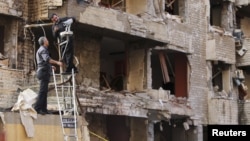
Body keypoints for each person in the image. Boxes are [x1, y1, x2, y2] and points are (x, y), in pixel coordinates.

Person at [35, 36, 63, 115]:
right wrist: (57, 63)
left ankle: (44, 109)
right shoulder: (43, 49)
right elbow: (47, 59)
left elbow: (43, 62)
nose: (48, 41)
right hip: (43, 72)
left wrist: (50, 67)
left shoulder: (42, 50)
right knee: (42, 91)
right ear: (44, 42)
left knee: (44, 92)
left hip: (44, 71)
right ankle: (37, 108)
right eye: (47, 40)